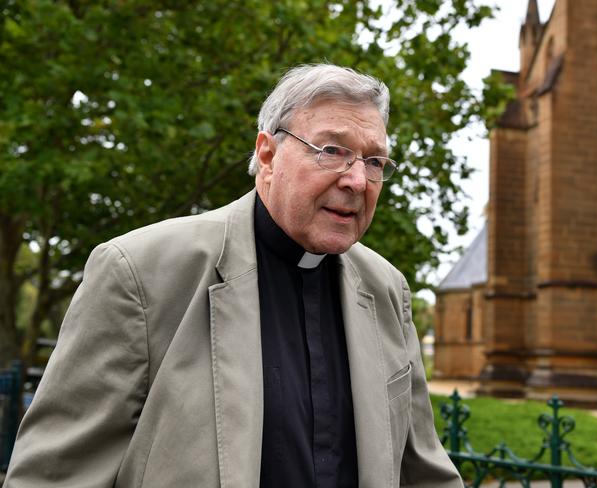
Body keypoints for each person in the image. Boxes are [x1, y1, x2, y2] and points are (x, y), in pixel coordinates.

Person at [5, 64, 462, 488]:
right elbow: (53, 477)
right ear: (267, 154)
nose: (357, 181)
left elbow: (423, 472)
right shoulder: (139, 272)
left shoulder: (386, 288)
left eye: (375, 162)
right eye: (333, 151)